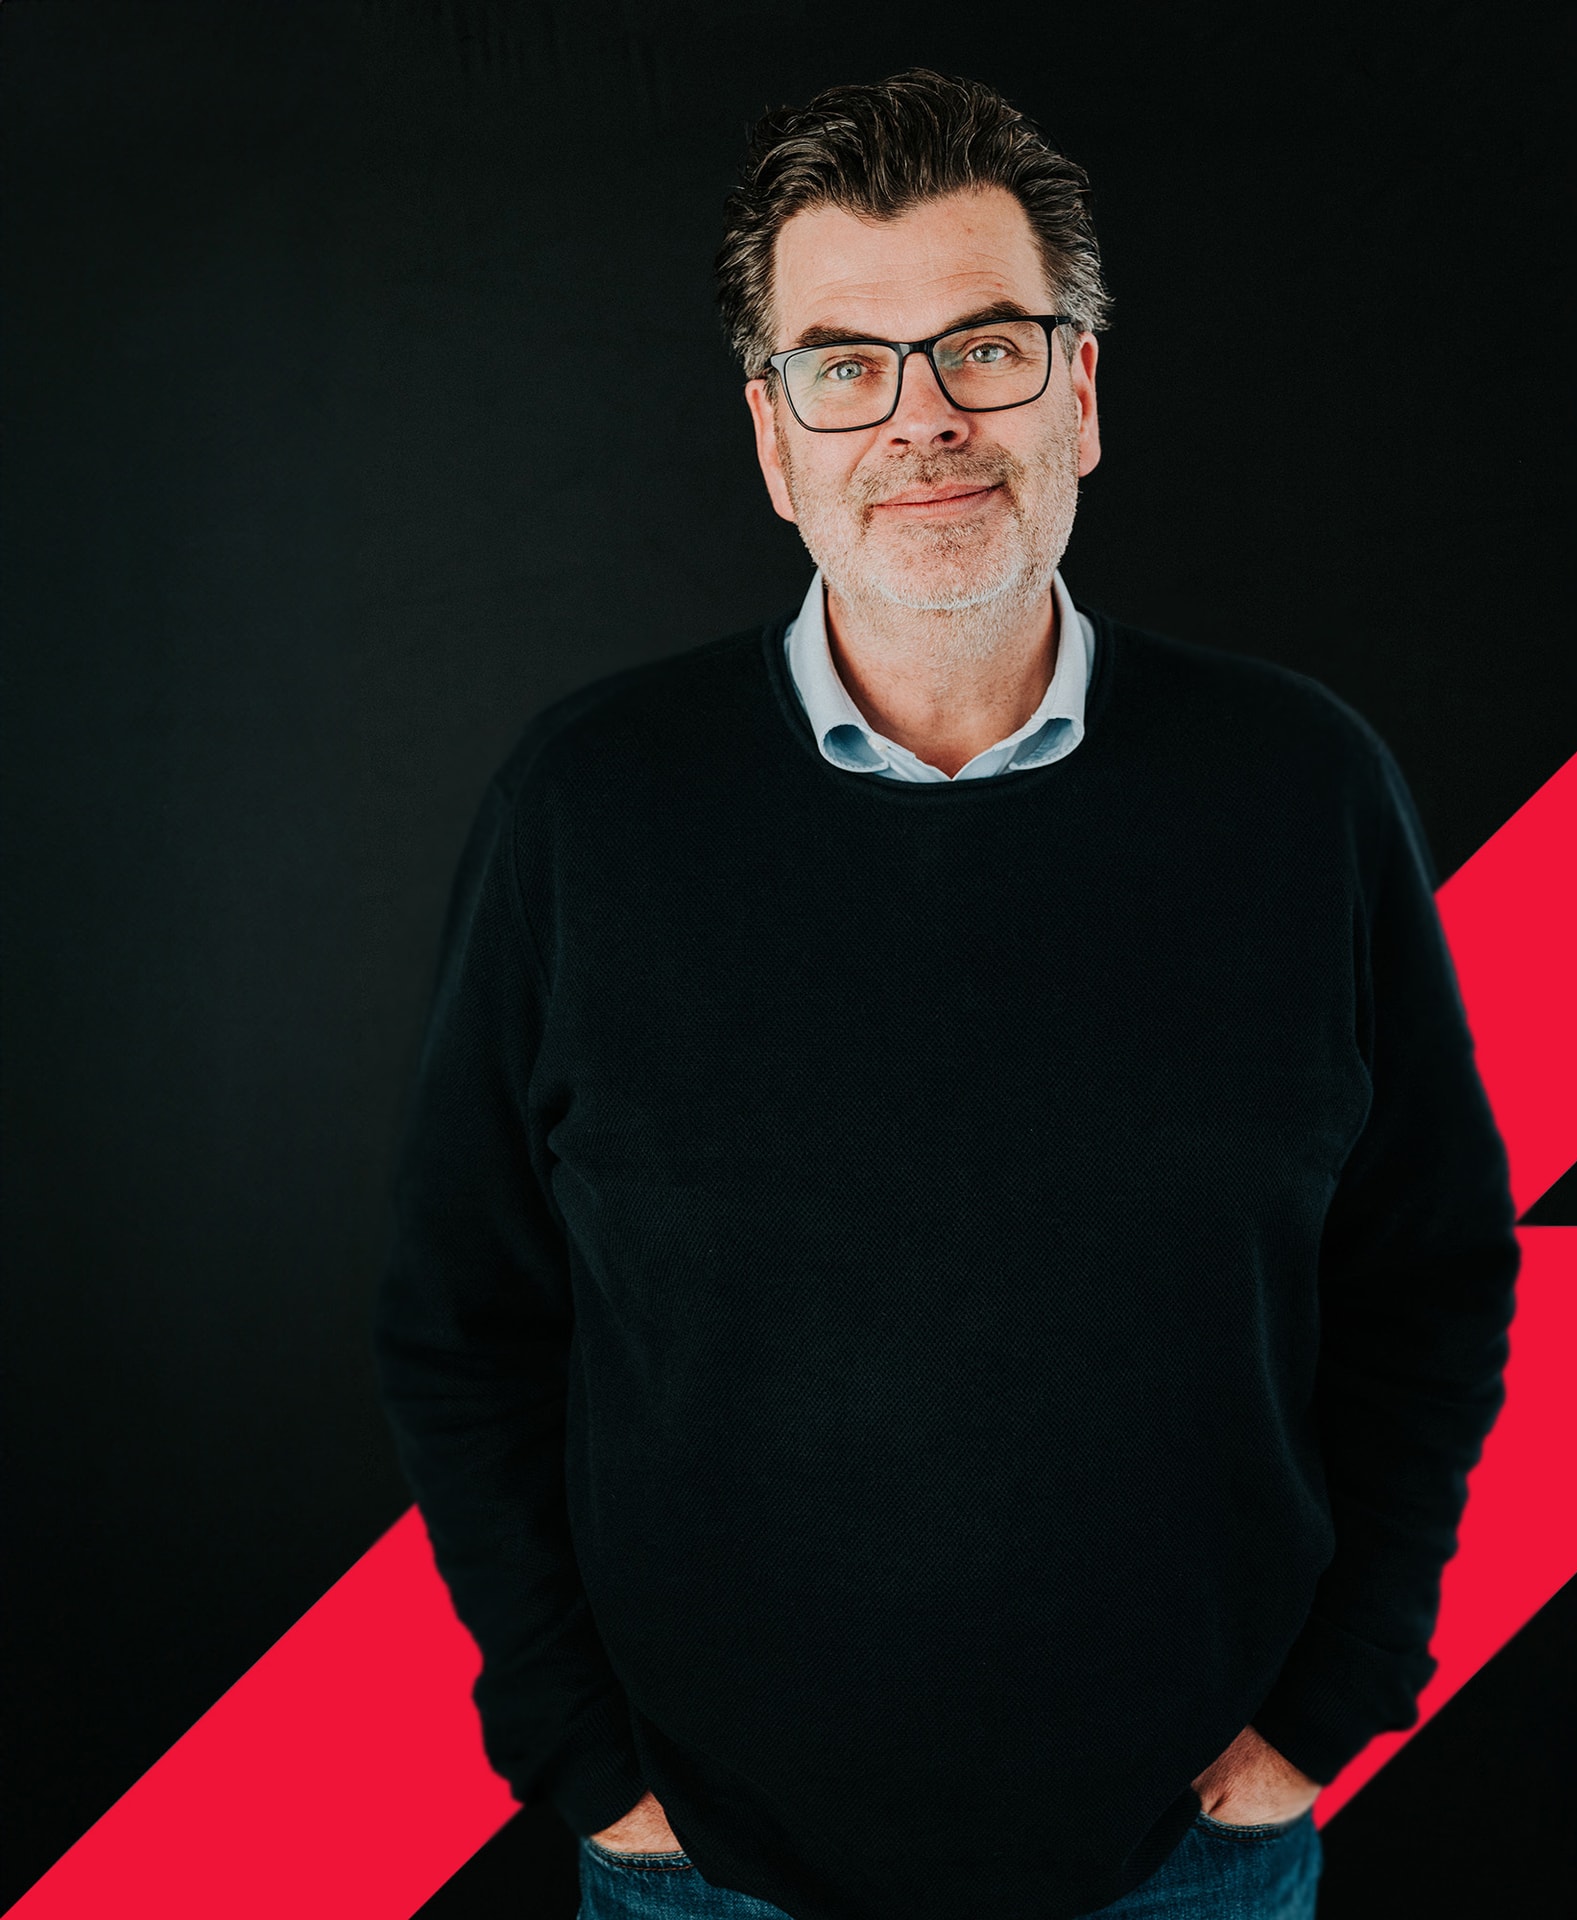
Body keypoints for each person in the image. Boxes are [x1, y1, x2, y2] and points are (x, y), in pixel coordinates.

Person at [372, 67, 1519, 1920]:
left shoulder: (1301, 787)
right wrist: (582, 1755)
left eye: (985, 348)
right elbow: (461, 1316)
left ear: (1081, 391)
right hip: (706, 1872)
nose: (923, 420)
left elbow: (1429, 1272)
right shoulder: (586, 807)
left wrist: (1333, 1702)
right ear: (775, 438)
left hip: (1188, 1857)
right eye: (847, 364)